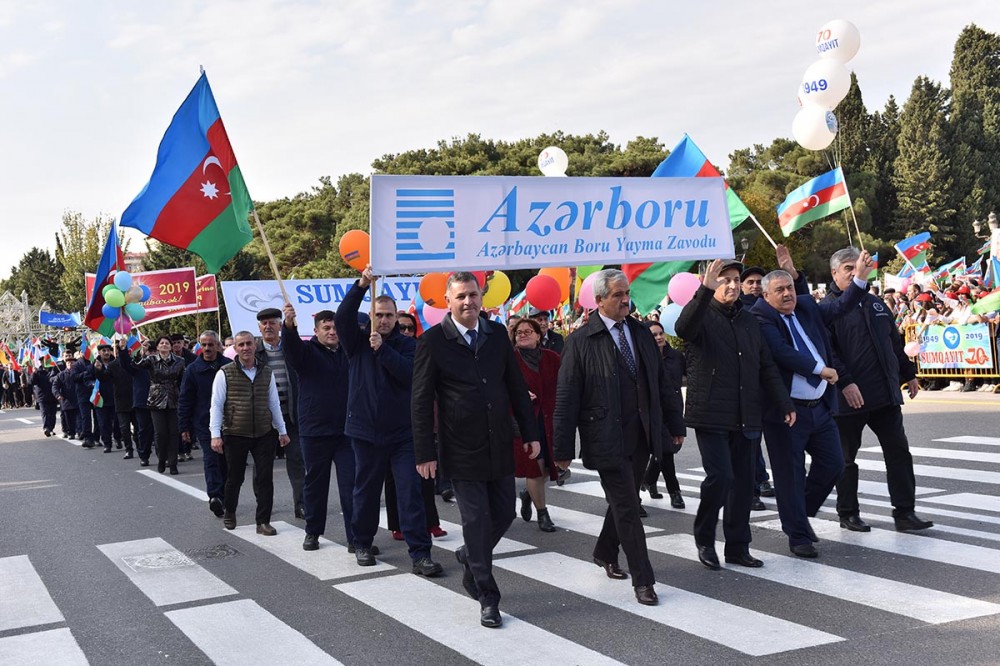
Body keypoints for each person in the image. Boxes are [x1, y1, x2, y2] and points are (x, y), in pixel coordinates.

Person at [413, 271, 539, 628]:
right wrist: (425, 452)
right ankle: (487, 595)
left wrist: (530, 432)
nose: (468, 302)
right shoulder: (434, 341)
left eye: (473, 295)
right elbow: (421, 400)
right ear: (448, 301)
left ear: (481, 297)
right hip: (460, 446)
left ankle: (470, 555)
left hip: (499, 440)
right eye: (460, 297)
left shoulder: (497, 333)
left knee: (504, 514)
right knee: (476, 520)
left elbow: (515, 385)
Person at [554, 268, 681, 607]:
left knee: (623, 500)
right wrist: (562, 449)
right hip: (605, 437)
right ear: (598, 301)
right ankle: (644, 580)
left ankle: (604, 550)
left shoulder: (640, 332)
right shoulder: (580, 341)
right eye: (617, 295)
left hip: (642, 434)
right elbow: (566, 398)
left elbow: (661, 383)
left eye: (627, 294)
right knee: (627, 505)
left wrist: (675, 425)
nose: (626, 300)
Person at [750, 249, 873, 557]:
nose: (787, 293)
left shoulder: (806, 307)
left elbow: (842, 305)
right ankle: (798, 535)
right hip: (785, 411)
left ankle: (798, 514)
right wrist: (822, 370)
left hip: (819, 407)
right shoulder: (760, 317)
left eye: (789, 287)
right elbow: (782, 353)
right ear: (765, 295)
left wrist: (859, 277)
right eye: (779, 290)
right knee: (789, 474)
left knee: (833, 464)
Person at [676, 258, 795, 571]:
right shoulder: (701, 313)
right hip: (711, 412)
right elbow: (683, 328)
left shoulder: (748, 319)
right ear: (711, 282)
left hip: (746, 413)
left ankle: (737, 546)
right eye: (723, 279)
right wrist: (703, 290)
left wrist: (784, 403)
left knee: (744, 483)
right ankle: (704, 538)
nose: (730, 285)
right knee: (721, 476)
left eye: (734, 280)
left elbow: (766, 365)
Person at [335, 266, 443, 578]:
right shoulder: (355, 343)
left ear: (397, 318)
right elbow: (342, 317)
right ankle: (363, 543)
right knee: (365, 492)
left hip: (402, 434)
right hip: (365, 432)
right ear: (371, 316)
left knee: (410, 493)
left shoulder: (410, 345)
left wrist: (382, 352)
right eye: (378, 314)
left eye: (388, 316)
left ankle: (420, 553)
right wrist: (361, 285)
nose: (383, 320)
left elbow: (411, 377)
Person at [824, 247, 935, 533]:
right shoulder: (828, 309)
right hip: (849, 397)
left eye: (856, 266)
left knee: (898, 452)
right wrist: (845, 382)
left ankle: (905, 513)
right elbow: (828, 354)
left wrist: (908, 373)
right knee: (846, 459)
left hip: (884, 394)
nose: (853, 272)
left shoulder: (875, 303)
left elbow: (893, 344)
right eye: (847, 268)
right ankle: (848, 512)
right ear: (834, 273)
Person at [281, 304, 357, 552]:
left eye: (335, 327)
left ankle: (355, 537)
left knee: (351, 486)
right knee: (315, 484)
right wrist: (289, 326)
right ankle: (313, 532)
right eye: (326, 328)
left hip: (347, 431)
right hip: (315, 431)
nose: (332, 332)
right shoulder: (306, 353)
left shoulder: (349, 351)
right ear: (316, 331)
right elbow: (290, 349)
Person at [210, 331, 289, 534]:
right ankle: (230, 511)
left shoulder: (266, 371)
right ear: (235, 349)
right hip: (235, 432)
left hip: (264, 432)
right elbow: (216, 405)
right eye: (241, 345)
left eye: (249, 344)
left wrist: (282, 430)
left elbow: (274, 403)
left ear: (255, 345)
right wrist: (215, 435)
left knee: (265, 478)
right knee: (235, 477)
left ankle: (263, 521)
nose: (245, 348)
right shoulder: (224, 373)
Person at [510, 317, 560, 533]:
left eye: (528, 331)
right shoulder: (509, 360)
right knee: (535, 469)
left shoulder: (552, 358)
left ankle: (528, 494)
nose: (523, 334)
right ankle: (543, 513)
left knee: (548, 468)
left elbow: (565, 384)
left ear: (539, 336)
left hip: (549, 420)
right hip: (523, 422)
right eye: (519, 332)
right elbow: (500, 388)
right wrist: (518, 394)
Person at [255, 308, 306, 519]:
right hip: (265, 419)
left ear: (279, 325)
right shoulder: (255, 352)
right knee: (263, 464)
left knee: (297, 460)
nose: (268, 326)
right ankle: (263, 505)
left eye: (272, 323)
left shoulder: (292, 349)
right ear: (259, 327)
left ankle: (301, 505)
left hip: (292, 414)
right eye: (264, 323)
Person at [178, 331, 232, 517]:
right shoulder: (193, 369)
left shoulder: (229, 366)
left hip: (230, 421)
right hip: (204, 422)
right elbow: (185, 399)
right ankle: (215, 496)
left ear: (218, 345)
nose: (207, 348)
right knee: (211, 458)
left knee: (225, 461)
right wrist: (184, 426)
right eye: (204, 344)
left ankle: (225, 495)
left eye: (211, 344)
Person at [122, 335, 185, 474]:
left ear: (170, 346)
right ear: (157, 347)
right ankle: (162, 459)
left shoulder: (180, 361)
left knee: (174, 433)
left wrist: (183, 396)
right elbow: (133, 367)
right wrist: (133, 352)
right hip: (156, 399)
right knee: (160, 433)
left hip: (174, 399)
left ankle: (173, 463)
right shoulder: (150, 360)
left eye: (167, 343)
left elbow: (183, 381)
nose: (164, 345)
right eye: (161, 343)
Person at [642, 320, 687, 509]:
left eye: (661, 333)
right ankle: (675, 492)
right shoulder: (644, 358)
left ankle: (649, 479)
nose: (659, 337)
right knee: (665, 451)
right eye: (654, 335)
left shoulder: (676, 356)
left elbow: (687, 376)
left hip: (674, 408)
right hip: (653, 410)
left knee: (667, 449)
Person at [95, 341, 137, 460]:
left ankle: (141, 448)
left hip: (135, 399)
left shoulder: (135, 363)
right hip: (119, 400)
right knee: (124, 428)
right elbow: (104, 378)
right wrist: (98, 370)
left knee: (138, 427)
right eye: (120, 351)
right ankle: (129, 449)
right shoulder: (113, 365)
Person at [91, 343, 122, 453]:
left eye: (108, 350)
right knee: (103, 423)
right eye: (103, 350)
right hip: (100, 399)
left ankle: (118, 438)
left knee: (117, 422)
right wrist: (92, 384)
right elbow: (87, 378)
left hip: (116, 397)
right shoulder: (94, 364)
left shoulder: (116, 363)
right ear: (99, 352)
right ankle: (107, 444)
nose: (106, 352)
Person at [70, 352, 97, 448]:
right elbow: (73, 377)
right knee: (86, 417)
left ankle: (97, 436)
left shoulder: (95, 362)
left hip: (95, 392)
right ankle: (88, 438)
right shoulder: (76, 365)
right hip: (82, 394)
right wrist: (85, 374)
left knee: (97, 416)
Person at [53, 360, 79, 439]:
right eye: (68, 363)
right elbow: (55, 386)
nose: (70, 364)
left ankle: (80, 431)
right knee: (68, 418)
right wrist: (58, 395)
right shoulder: (61, 375)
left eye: (72, 363)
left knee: (79, 417)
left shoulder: (79, 373)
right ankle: (71, 432)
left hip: (78, 398)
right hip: (66, 400)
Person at [31, 366, 59, 437]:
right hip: (42, 396)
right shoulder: (38, 372)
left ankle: (51, 428)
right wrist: (34, 373)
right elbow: (32, 382)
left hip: (53, 395)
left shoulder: (54, 370)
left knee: (52, 413)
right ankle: (46, 428)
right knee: (45, 412)